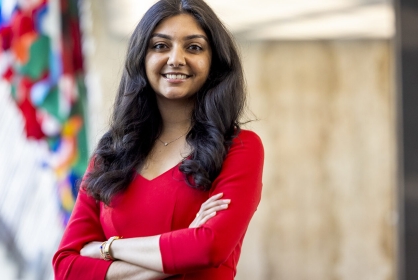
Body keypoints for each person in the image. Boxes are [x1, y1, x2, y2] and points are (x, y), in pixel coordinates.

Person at [52, 0, 264, 278]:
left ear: (215, 62)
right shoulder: (111, 151)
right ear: (142, 57)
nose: (176, 59)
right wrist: (182, 246)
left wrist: (108, 249)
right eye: (160, 46)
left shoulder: (239, 148)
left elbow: (209, 248)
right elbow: (66, 267)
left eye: (194, 47)